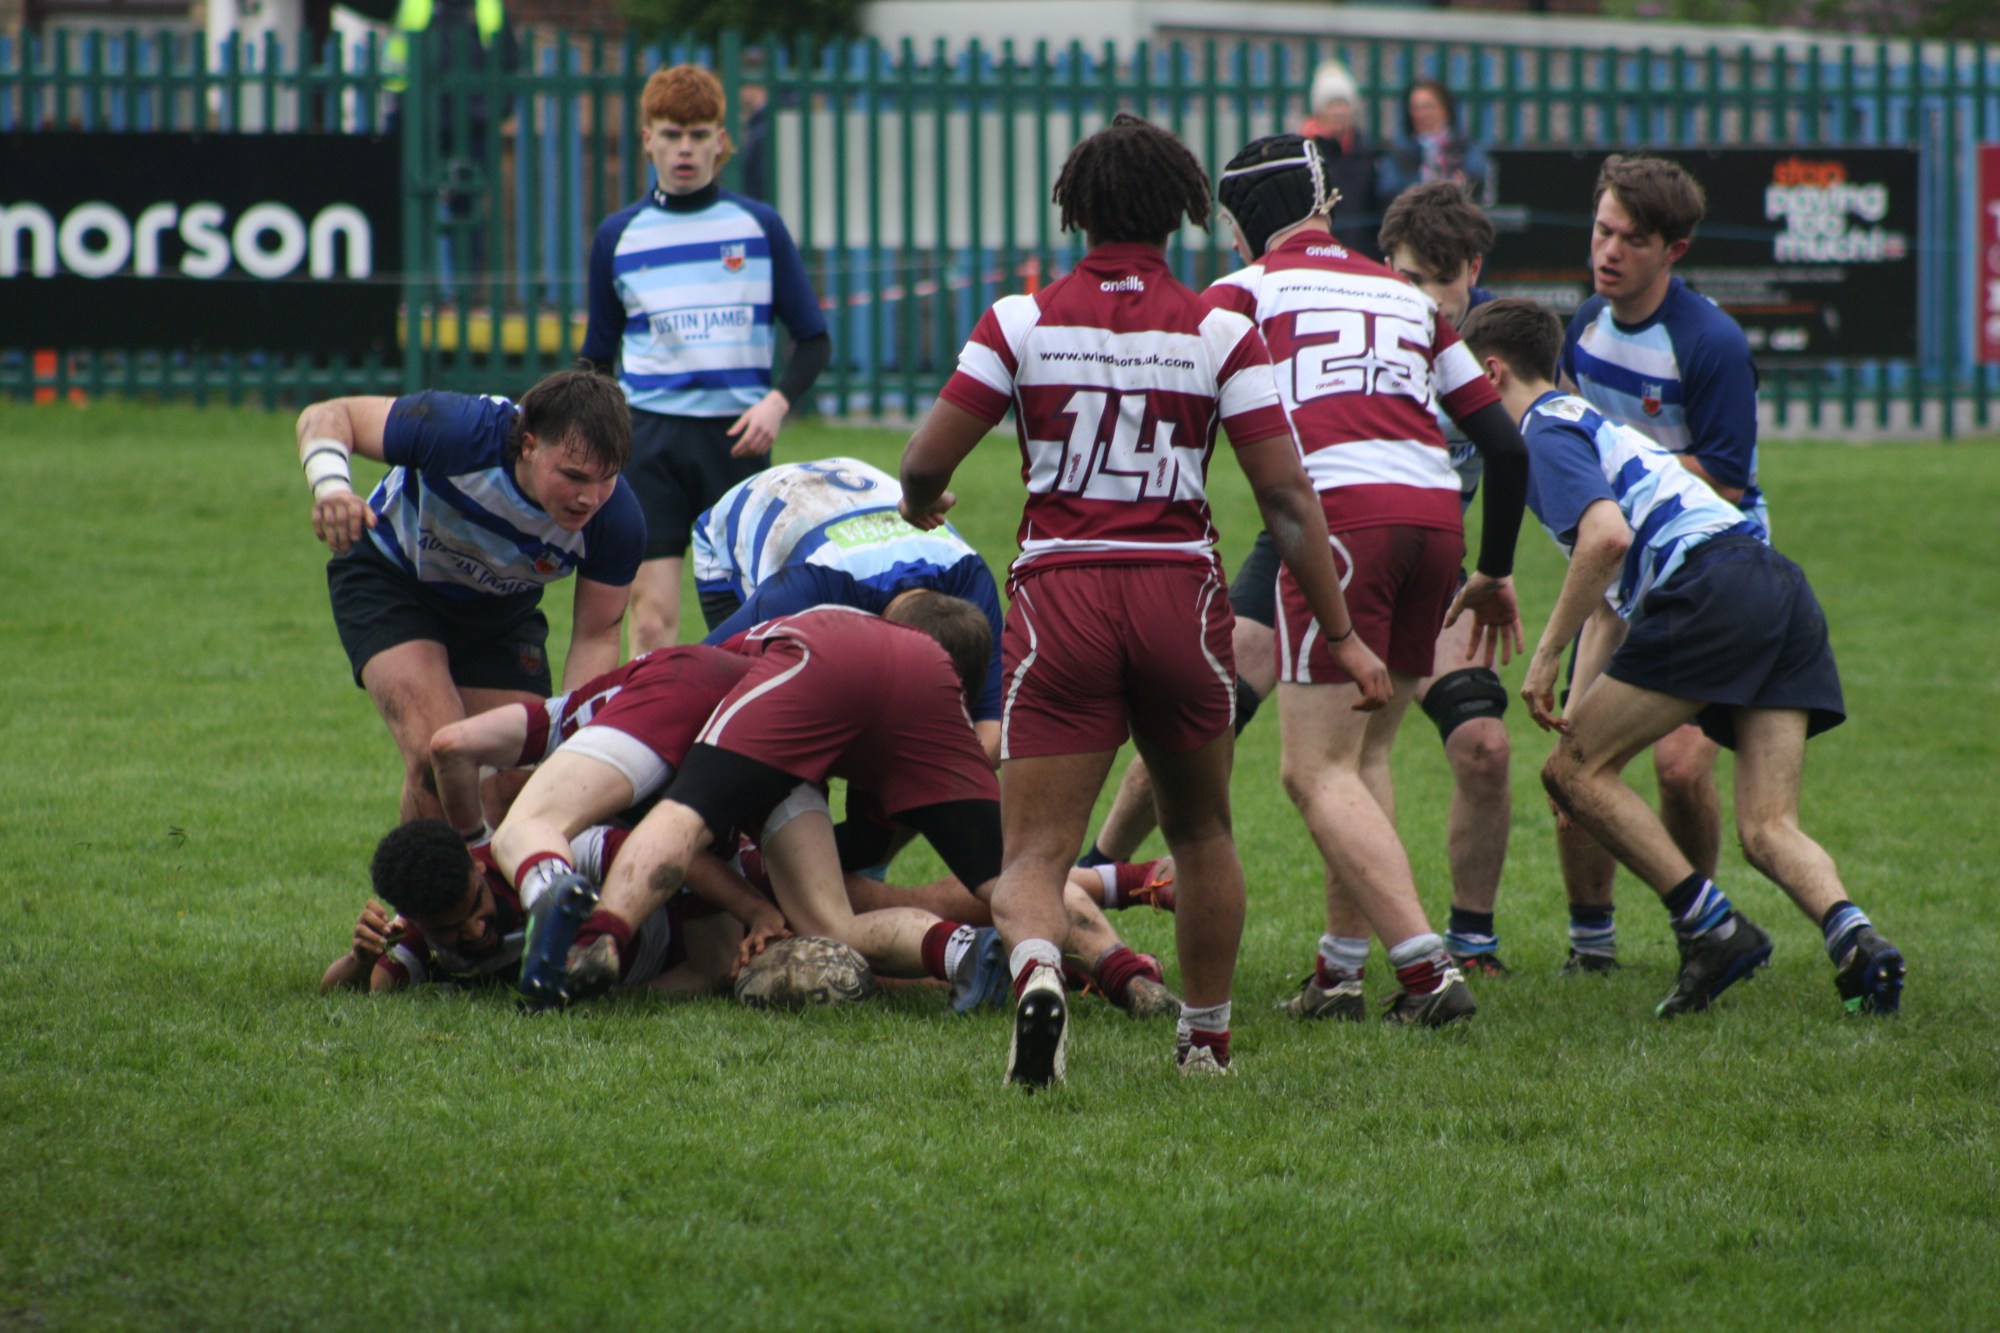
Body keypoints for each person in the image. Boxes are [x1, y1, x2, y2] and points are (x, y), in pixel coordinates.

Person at [899, 114, 1391, 1085]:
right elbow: (1288, 501)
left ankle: (1039, 972)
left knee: (1034, 854)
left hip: (1063, 598)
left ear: (1074, 209)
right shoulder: (1219, 329)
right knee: (1201, 834)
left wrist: (923, 504)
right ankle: (1204, 1041)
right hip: (1179, 599)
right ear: (1181, 212)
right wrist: (1341, 634)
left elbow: (922, 462)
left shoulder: (1019, 321)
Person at [1459, 297, 1905, 1018]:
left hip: (1710, 588)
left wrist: (1544, 660)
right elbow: (1611, 602)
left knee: (1571, 773)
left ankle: (1713, 931)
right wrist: (1575, 719)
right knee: (1768, 826)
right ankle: (1859, 945)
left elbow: (1606, 540)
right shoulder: (1588, 421)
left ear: (1489, 372)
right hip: (1775, 585)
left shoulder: (1539, 430)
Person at [1206, 135, 1527, 1027]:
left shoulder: (1240, 291)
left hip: (1343, 521)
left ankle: (1428, 971)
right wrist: (1495, 568)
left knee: (1312, 772)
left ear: (1245, 222)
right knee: (1363, 757)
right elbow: (1503, 446)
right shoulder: (1403, 295)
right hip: (1435, 519)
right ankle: (1340, 974)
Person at [492, 600, 1067, 1019]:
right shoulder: (929, 654)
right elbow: (864, 843)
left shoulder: (686, 671)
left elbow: (467, 751)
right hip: (877, 709)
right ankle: (1055, 959)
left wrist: (754, 898)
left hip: (782, 702)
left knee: (677, 818)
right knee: (1005, 875)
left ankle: (600, 937)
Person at [1556, 154, 1765, 972]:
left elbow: (1729, 480)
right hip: (1620, 576)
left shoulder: (1710, 342)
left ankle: (1700, 933)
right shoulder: (1584, 326)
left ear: (1673, 250)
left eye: (1632, 240)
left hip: (1708, 572)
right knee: (1573, 759)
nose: (1608, 251)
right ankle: (1590, 944)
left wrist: (1617, 460)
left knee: (1679, 769)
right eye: (1602, 230)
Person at [296, 367, 643, 827]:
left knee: (517, 780)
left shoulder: (616, 520)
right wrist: (332, 488)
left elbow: (597, 635)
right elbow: (328, 415)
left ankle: (485, 873)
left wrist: (575, 741)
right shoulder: (459, 431)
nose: (590, 498)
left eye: (606, 479)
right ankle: (426, 878)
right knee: (437, 759)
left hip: (499, 612)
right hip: (393, 579)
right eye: (573, 476)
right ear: (528, 445)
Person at [580, 64, 831, 654]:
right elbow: (596, 360)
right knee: (650, 621)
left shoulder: (759, 227)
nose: (685, 149)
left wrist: (776, 405)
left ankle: (741, 714)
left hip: (737, 440)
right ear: (648, 140)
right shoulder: (618, 236)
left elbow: (813, 340)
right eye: (671, 135)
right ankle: (650, 716)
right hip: (650, 442)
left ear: (722, 141)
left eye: (698, 135)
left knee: (748, 620)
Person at [1376, 180, 1515, 974]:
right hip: (1325, 564)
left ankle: (1473, 939)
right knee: (1207, 725)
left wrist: (1496, 567)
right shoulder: (1360, 329)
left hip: (1435, 576)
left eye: (1440, 280)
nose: (1423, 299)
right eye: (1406, 278)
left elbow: (1538, 448)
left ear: (1473, 271)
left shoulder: (1496, 346)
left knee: (1485, 744)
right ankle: (1091, 873)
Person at [691, 457, 1007, 763]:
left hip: (850, 515)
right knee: (760, 719)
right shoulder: (801, 595)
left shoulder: (972, 586)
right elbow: (693, 672)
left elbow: (991, 724)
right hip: (738, 525)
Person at [320, 818, 782, 998]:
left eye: (476, 906)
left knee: (801, 899)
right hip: (672, 969)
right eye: (451, 930)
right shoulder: (423, 922)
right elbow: (367, 989)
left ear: (475, 865)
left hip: (706, 901)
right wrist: (360, 959)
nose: (476, 931)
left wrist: (755, 909)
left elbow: (669, 853)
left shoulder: (541, 855)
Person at [1298, 60, 1380, 258]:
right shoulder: (1306, 153)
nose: (1339, 112)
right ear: (1319, 110)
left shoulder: (1365, 153)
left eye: (1344, 104)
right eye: (1331, 105)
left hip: (1361, 252)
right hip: (1319, 253)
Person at [1376, 78, 1488, 202]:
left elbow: (1476, 180)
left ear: (1445, 109)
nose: (1421, 114)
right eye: (1415, 108)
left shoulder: (1464, 147)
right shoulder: (1399, 152)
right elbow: (1388, 190)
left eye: (1428, 106)